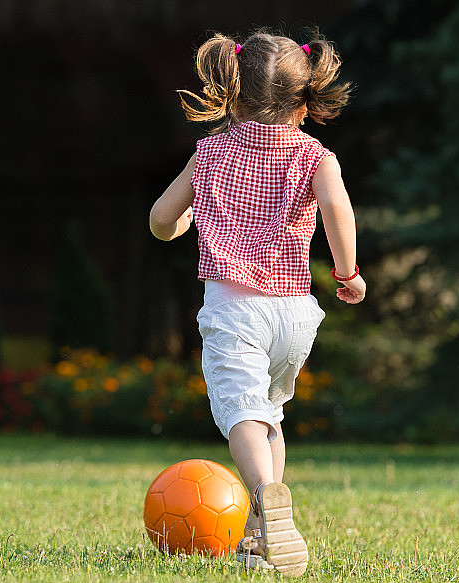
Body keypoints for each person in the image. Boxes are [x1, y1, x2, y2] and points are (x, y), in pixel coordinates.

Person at [148, 30, 365, 577]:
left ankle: (268, 495)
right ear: (303, 96)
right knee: (270, 414)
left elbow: (159, 219)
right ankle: (264, 533)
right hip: (294, 311)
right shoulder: (316, 156)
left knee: (241, 411)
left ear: (233, 89)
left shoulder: (214, 151)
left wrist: (183, 225)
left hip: (234, 307)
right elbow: (339, 212)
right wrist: (348, 272)